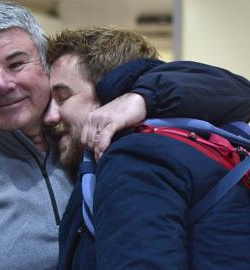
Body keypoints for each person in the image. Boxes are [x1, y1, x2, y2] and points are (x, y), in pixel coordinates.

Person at [0, 2, 250, 270]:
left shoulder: (94, 138)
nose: (2, 83)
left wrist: (140, 98)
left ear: (45, 66)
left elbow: (237, 91)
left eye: (16, 63)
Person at [43, 27, 250, 269]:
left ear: (109, 93)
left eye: (63, 97)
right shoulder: (181, 142)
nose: (49, 116)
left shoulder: (134, 158)